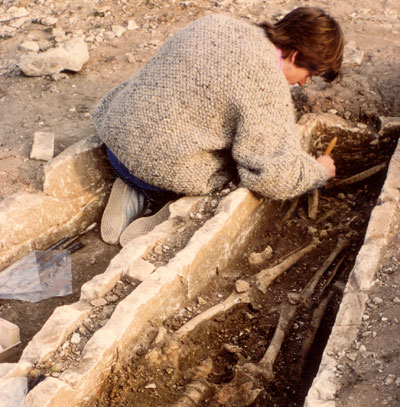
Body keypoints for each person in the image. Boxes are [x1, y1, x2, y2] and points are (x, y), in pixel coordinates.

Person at [91, 7, 343, 246]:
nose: (303, 83)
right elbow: (272, 174)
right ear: (297, 56)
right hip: (162, 174)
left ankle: (130, 187)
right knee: (242, 167)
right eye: (309, 75)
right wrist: (317, 171)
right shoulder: (266, 81)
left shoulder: (218, 22)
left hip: (117, 145)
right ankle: (171, 212)